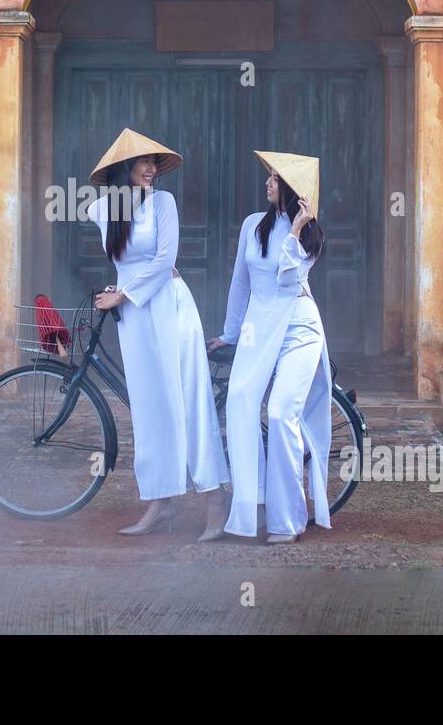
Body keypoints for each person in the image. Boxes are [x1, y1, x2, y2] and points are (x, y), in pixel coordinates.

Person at [85, 128, 231, 539]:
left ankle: (214, 495)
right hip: (134, 316)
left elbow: (167, 257)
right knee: (149, 407)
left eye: (153, 162)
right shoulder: (103, 211)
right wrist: (120, 290)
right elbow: (125, 263)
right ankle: (160, 500)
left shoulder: (163, 203)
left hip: (169, 308)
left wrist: (126, 292)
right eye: (141, 161)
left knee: (188, 399)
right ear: (122, 168)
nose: (150, 169)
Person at [207, 151, 332, 543]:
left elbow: (286, 281)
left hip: (298, 327)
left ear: (292, 190)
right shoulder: (251, 225)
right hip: (257, 328)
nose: (268, 182)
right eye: (270, 176)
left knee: (279, 413)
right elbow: (240, 282)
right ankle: (253, 502)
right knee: (240, 401)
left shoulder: (311, 236)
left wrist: (295, 230)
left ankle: (289, 519)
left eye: (276, 178)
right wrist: (230, 333)